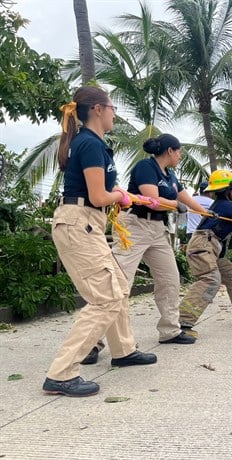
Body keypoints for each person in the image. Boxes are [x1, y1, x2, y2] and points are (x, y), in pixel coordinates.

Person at [43, 86, 156, 397]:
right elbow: (98, 196)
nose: (114, 113)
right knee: (106, 297)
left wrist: (126, 195)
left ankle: (123, 350)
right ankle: (61, 373)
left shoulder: (94, 144)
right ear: (97, 110)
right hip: (79, 222)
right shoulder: (90, 144)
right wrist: (122, 195)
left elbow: (103, 191)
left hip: (87, 222)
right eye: (111, 108)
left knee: (118, 285)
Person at [111, 134, 210, 346]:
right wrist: (175, 205)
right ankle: (97, 341)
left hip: (157, 228)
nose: (181, 156)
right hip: (134, 226)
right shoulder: (146, 167)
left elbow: (188, 200)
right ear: (170, 151)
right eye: (179, 151)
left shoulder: (171, 175)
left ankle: (170, 331)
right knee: (118, 282)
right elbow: (152, 201)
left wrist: (209, 213)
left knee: (170, 279)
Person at [178, 170, 232, 336]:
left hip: (210, 248)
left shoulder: (221, 205)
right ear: (228, 191)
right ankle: (182, 322)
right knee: (210, 280)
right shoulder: (227, 205)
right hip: (203, 246)